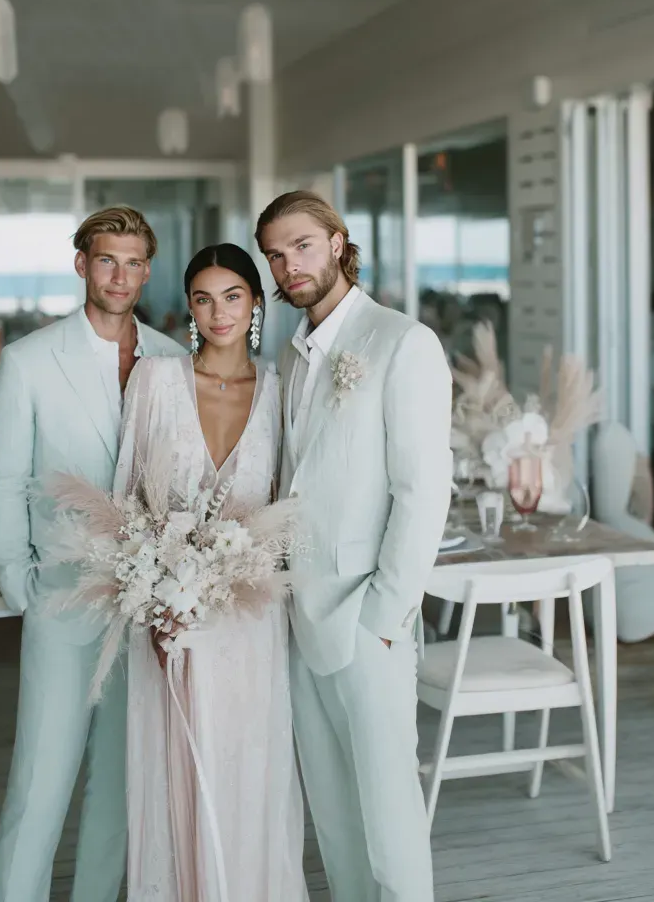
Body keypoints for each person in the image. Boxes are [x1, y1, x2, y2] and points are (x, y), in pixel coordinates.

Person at [0, 206, 186, 902]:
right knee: (40, 784)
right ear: (82, 265)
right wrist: (21, 584)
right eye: (107, 260)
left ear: (147, 271)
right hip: (63, 599)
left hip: (145, 609)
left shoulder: (173, 358)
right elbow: (4, 480)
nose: (120, 275)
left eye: (133, 263)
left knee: (120, 792)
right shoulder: (29, 360)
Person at [257, 190, 452, 902]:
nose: (289, 265)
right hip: (298, 618)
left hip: (368, 621)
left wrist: (385, 618)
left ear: (339, 243)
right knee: (334, 821)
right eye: (275, 254)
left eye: (302, 245)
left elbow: (424, 491)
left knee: (389, 823)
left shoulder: (402, 341)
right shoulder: (293, 352)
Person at [114, 244, 307, 901]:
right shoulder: (156, 380)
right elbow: (125, 505)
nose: (218, 311)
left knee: (248, 771)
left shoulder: (282, 392)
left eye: (232, 296)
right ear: (189, 309)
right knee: (172, 776)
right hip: (168, 622)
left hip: (251, 629)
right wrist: (152, 598)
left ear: (255, 303)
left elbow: (289, 516)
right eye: (203, 297)